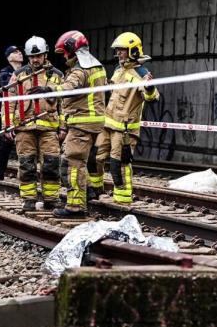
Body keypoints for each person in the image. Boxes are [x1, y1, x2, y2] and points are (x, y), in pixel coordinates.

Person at [29, 31, 108, 217]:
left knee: (73, 164)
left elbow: (69, 87)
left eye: (65, 52)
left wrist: (48, 89)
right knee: (75, 163)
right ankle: (87, 193)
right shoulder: (98, 66)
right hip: (93, 122)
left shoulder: (80, 69)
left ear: (73, 49)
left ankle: (75, 207)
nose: (64, 56)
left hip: (81, 124)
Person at [95, 32, 158, 205]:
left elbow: (152, 97)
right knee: (95, 158)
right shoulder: (118, 70)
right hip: (107, 124)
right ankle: (95, 192)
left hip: (124, 130)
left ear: (133, 51)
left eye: (122, 50)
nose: (118, 54)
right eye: (118, 51)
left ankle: (122, 201)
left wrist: (149, 87)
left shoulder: (141, 73)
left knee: (119, 164)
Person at [9, 36, 63, 211]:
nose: (35, 59)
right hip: (24, 127)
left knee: (51, 164)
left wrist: (63, 126)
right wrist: (8, 125)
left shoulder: (57, 75)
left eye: (38, 56)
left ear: (45, 54)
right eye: (32, 57)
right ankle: (29, 199)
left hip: (49, 127)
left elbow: (64, 103)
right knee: (26, 164)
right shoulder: (18, 75)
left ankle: (51, 199)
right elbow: (9, 101)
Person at [0, 45, 23, 180]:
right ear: (9, 57)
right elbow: (7, 88)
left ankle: (24, 176)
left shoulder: (27, 70)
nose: (20, 53)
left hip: (24, 111)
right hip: (10, 110)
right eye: (16, 52)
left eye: (19, 51)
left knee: (26, 145)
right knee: (6, 144)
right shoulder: (5, 72)